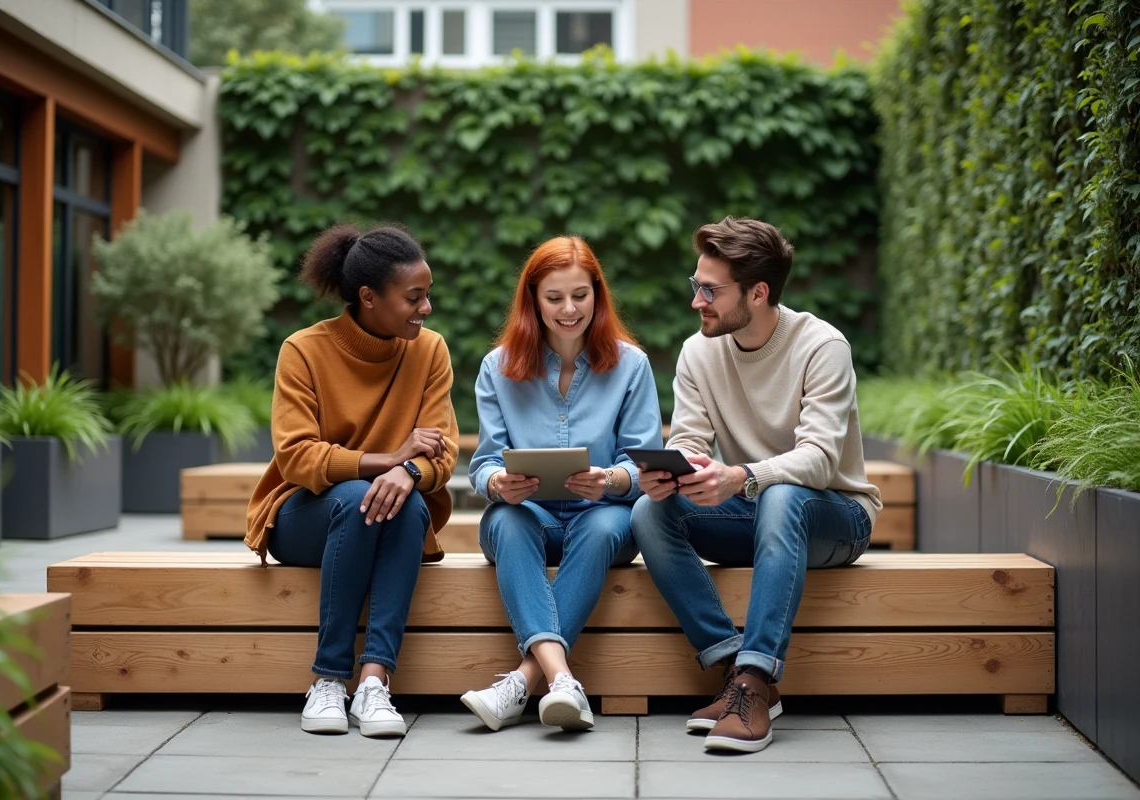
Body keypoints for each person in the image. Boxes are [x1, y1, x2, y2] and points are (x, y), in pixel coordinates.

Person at [630, 216, 882, 753]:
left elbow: (818, 461)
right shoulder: (698, 351)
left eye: (710, 290)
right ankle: (731, 668)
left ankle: (757, 680)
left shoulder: (821, 345)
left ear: (758, 292)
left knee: (783, 495)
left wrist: (742, 476)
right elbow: (693, 446)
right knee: (649, 514)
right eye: (696, 285)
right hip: (759, 512)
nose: (697, 300)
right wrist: (669, 477)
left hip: (835, 515)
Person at [245, 223, 458, 737]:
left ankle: (374, 682)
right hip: (304, 515)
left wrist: (409, 470)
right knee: (364, 497)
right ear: (368, 297)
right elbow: (296, 457)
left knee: (408, 504)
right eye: (414, 297)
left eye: (427, 295)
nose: (426, 308)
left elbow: (443, 453)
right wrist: (389, 460)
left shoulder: (430, 351)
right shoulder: (303, 350)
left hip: (389, 511)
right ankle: (327, 679)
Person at [460, 236, 662, 732]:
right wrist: (498, 483)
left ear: (598, 295)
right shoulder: (498, 367)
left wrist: (611, 479)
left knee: (601, 527)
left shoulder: (631, 365)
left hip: (603, 517)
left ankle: (526, 681)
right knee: (507, 519)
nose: (569, 309)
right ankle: (562, 681)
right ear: (532, 299)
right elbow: (482, 462)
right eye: (554, 298)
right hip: (529, 516)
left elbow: (644, 467)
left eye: (580, 295)